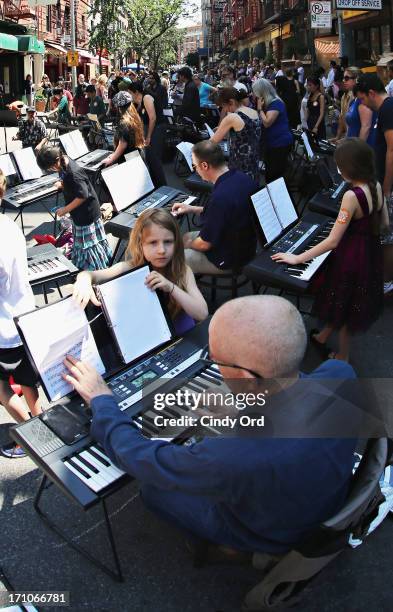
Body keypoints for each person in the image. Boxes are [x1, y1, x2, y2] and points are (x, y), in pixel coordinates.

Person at [63, 294, 360, 555]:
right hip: (324, 496)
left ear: (246, 378)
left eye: (217, 360)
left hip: (275, 533)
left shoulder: (235, 456)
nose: (214, 365)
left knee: (153, 491)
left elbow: (142, 458)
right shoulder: (340, 374)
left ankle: (230, 548)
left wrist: (102, 400)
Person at [272, 138, 388, 361]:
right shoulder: (376, 185)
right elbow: (383, 223)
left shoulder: (351, 196)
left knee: (346, 303)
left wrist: (298, 258)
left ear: (348, 168)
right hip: (370, 253)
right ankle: (324, 335)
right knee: (349, 299)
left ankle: (343, 355)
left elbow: (333, 240)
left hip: (351, 257)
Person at [72, 208, 208, 335]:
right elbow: (94, 275)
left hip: (182, 337)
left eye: (168, 242)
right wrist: (84, 279)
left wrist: (171, 287)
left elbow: (202, 313)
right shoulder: (131, 267)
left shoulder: (182, 270)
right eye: (153, 243)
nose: (162, 250)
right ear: (140, 244)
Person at [0, 170, 42, 458]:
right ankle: (41, 431)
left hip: (2, 331)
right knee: (29, 385)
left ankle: (31, 438)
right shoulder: (9, 225)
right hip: (24, 318)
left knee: (2, 391)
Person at [172, 141, 257, 274]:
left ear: (205, 165)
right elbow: (224, 213)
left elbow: (204, 244)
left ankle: (183, 288)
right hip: (247, 247)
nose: (196, 171)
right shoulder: (242, 178)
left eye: (195, 166)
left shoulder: (220, 197)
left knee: (173, 259)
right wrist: (191, 208)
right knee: (186, 237)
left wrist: (189, 244)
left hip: (229, 258)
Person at [36, 146, 112, 271]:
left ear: (56, 161)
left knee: (87, 245)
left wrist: (65, 209)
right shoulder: (64, 161)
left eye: (50, 168)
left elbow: (82, 195)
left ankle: (93, 271)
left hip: (86, 212)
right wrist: (63, 185)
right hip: (83, 211)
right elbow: (74, 185)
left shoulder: (73, 173)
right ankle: (89, 266)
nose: (51, 170)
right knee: (86, 242)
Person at [356, 74, 393, 292]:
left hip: (389, 185)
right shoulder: (386, 109)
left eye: (362, 98)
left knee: (388, 237)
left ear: (371, 93)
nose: (363, 103)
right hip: (383, 181)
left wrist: (387, 187)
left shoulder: (387, 108)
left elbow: (392, 149)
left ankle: (387, 281)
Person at [211, 87, 261, 182]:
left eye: (223, 106)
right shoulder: (254, 112)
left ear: (231, 102)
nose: (224, 109)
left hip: (239, 165)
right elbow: (246, 132)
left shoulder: (233, 117)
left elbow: (212, 143)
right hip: (253, 164)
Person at [252, 78, 293, 183]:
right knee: (270, 173)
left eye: (255, 92)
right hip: (272, 143)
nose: (254, 95)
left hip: (279, 143)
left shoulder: (276, 103)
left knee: (274, 175)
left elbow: (267, 123)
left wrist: (260, 109)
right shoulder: (269, 103)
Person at [129, 82, 167, 187]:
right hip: (153, 129)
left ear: (136, 92)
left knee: (154, 158)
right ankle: (155, 185)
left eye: (130, 93)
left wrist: (149, 136)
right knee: (150, 158)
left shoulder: (147, 97)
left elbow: (153, 118)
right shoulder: (141, 99)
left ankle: (163, 186)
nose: (129, 95)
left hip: (157, 129)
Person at [332, 67, 376, 146]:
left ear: (356, 79)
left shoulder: (363, 100)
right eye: (343, 78)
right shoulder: (354, 101)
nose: (343, 81)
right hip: (352, 146)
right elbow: (352, 127)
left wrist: (357, 149)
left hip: (362, 148)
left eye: (346, 78)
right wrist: (345, 140)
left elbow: (366, 127)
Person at [103, 91, 144, 166]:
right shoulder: (135, 117)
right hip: (136, 155)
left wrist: (111, 159)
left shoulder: (124, 122)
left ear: (119, 107)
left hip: (127, 160)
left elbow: (123, 145)